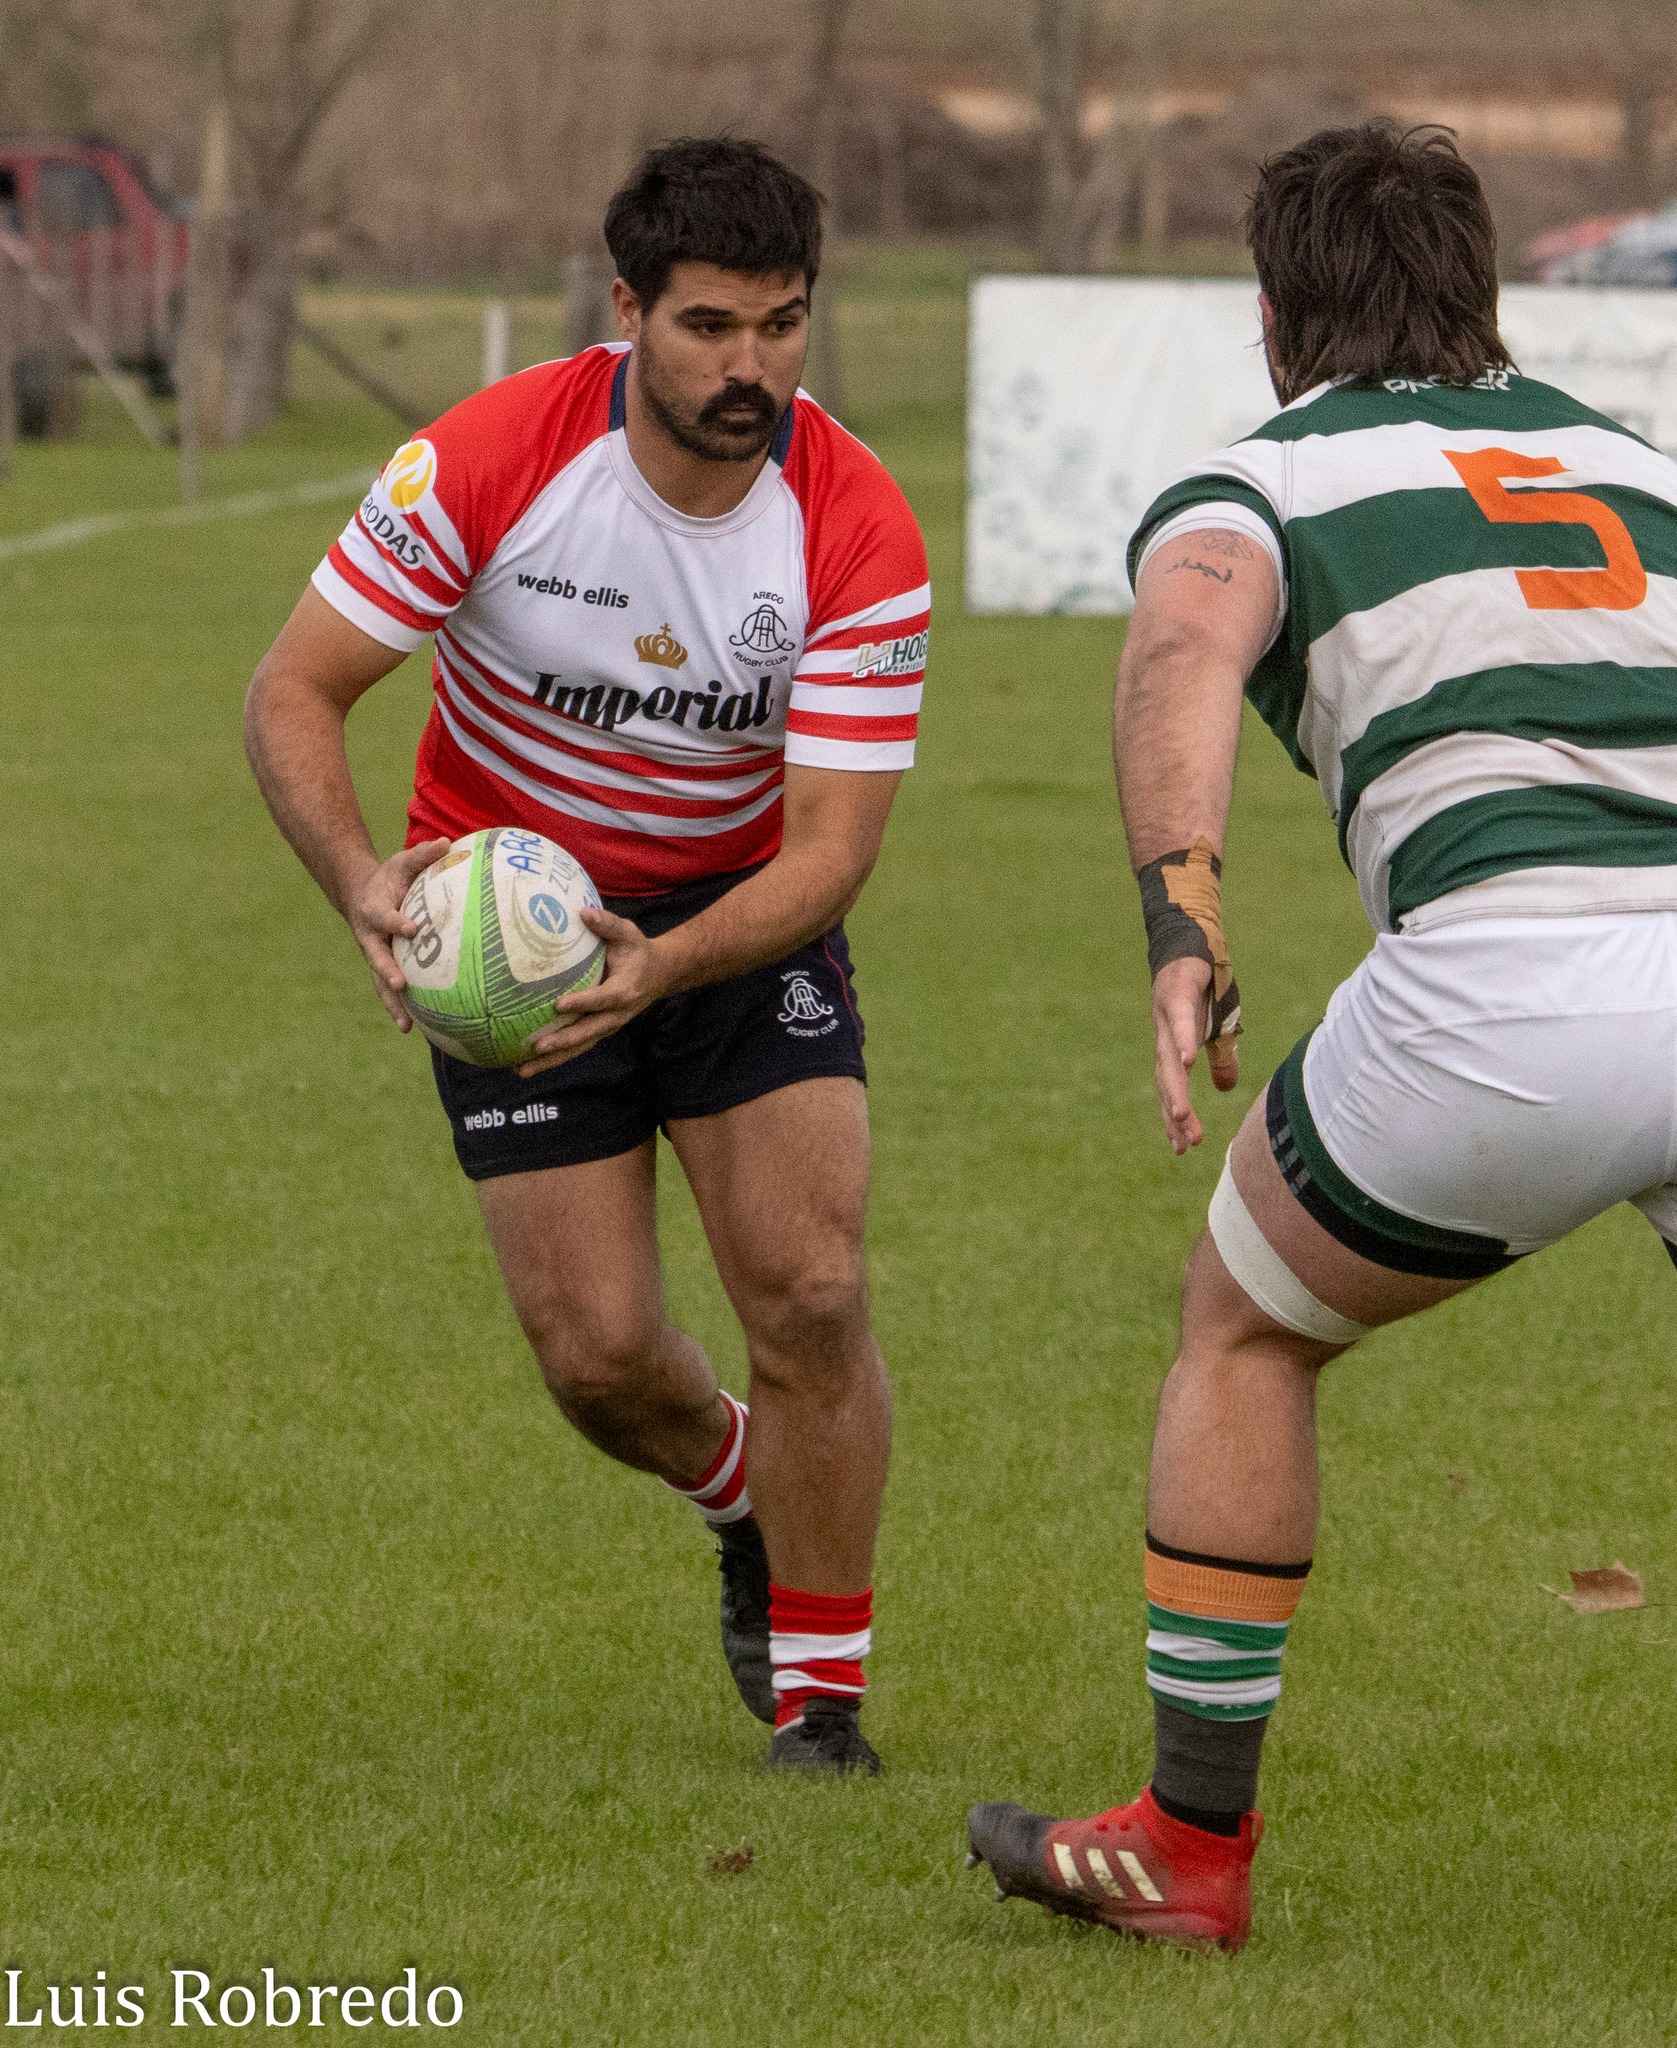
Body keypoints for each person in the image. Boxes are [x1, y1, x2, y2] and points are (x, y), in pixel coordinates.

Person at [966, 119, 1677, 1943]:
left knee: (1243, 1335)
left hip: (1501, 994)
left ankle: (1189, 1849)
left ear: (1275, 316)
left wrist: (1178, 910)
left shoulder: (1259, 478)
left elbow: (1181, 651)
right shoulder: (1644, 467)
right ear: (1489, 292)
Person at [244, 138, 930, 1774]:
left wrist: (673, 957)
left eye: (780, 325)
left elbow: (833, 848)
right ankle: (740, 1493)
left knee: (814, 1293)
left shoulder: (852, 521)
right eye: (707, 327)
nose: (748, 365)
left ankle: (823, 1710)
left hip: (735, 925)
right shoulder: (492, 456)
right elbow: (293, 691)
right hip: (508, 962)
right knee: (601, 1361)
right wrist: (362, 882)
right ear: (625, 309)